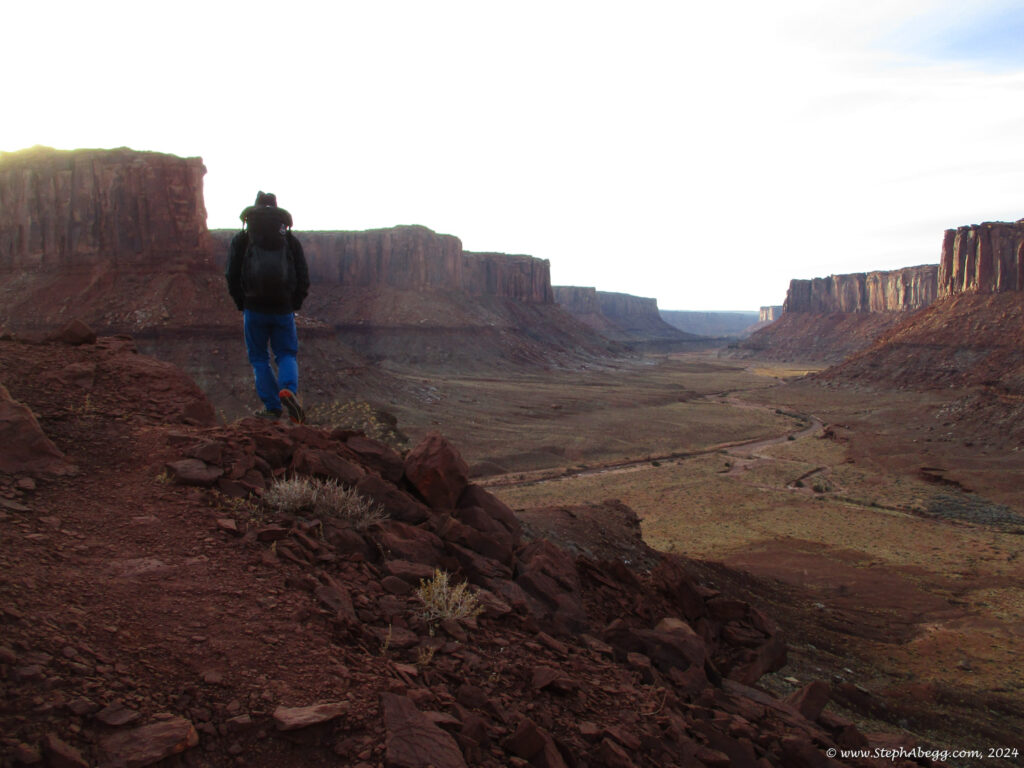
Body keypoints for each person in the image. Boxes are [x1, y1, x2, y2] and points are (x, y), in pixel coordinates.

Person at [225, 191, 310, 423]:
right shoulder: (289, 240)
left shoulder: (242, 239)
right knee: (286, 353)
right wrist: (294, 302)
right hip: (283, 308)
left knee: (259, 358)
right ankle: (288, 390)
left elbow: (231, 274)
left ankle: (272, 407)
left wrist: (241, 302)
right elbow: (303, 275)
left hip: (254, 307)